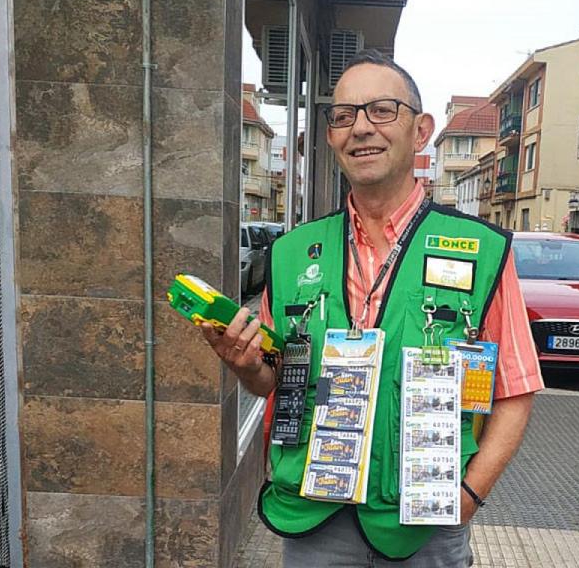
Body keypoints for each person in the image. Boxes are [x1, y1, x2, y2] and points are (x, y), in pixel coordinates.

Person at [200, 49, 543, 567]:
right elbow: (272, 378)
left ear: (421, 130)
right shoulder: (294, 252)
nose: (361, 128)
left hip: (423, 524)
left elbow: (515, 391)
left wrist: (466, 499)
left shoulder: (481, 249)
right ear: (331, 137)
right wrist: (247, 365)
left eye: (382, 110)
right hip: (313, 517)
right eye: (343, 116)